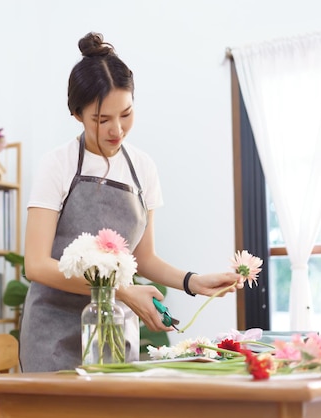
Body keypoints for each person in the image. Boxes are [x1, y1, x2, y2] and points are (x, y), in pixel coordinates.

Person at [19, 32, 244, 373]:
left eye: (125, 114)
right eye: (101, 119)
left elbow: (145, 258)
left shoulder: (143, 168)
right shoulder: (58, 164)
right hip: (51, 337)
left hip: (113, 333)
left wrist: (192, 281)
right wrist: (122, 291)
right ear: (77, 114)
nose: (116, 130)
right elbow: (36, 264)